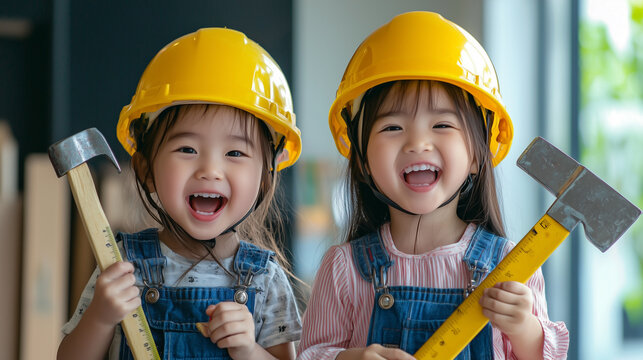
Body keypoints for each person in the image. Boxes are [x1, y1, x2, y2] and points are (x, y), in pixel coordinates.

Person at [297, 11, 569, 360]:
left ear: (476, 155)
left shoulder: (510, 264)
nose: (417, 142)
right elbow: (310, 353)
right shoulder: (344, 268)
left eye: (442, 124)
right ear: (362, 161)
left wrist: (524, 329)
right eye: (392, 127)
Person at [58, 28, 302, 360]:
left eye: (235, 153)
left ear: (265, 178)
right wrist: (100, 317)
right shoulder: (121, 264)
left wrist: (248, 349)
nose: (210, 170)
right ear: (145, 169)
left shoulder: (266, 279)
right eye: (187, 148)